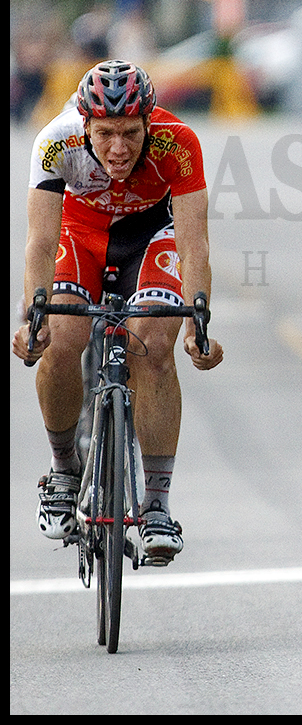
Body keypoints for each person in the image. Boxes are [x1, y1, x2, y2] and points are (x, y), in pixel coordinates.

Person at [12, 60, 224, 564]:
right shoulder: (55, 142)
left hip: (150, 236)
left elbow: (194, 246)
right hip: (80, 236)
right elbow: (40, 244)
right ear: (85, 126)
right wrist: (29, 320)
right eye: (105, 134)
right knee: (60, 339)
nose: (118, 148)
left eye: (131, 133)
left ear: (150, 122)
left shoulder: (179, 142)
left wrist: (199, 322)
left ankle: (155, 504)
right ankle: (63, 469)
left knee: (152, 344)